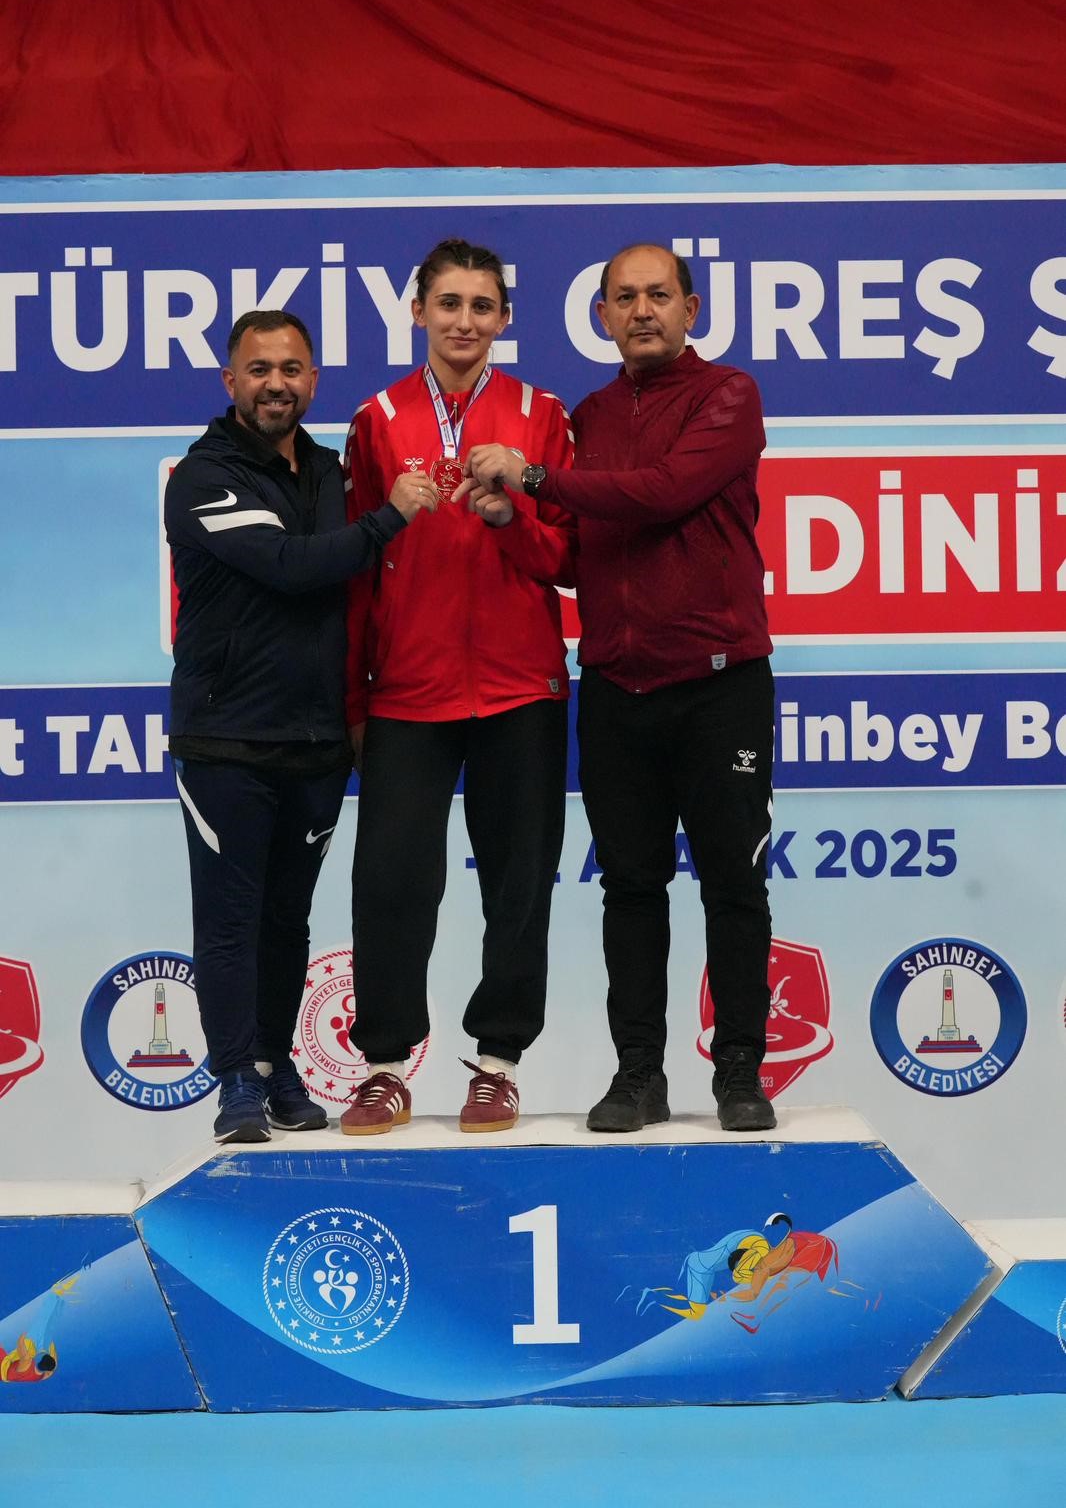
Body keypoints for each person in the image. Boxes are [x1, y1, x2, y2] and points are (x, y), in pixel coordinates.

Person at [461, 243, 776, 1134]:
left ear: (691, 308)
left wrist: (528, 475)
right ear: (600, 316)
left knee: (733, 884)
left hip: (720, 685)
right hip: (616, 686)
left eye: (658, 295)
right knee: (630, 888)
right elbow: (573, 553)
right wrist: (512, 522)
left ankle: (740, 1073)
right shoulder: (590, 416)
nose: (642, 311)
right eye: (624, 298)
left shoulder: (729, 395)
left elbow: (664, 492)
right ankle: (639, 1074)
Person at [165, 309, 433, 1143]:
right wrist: (390, 517)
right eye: (259, 369)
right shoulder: (203, 476)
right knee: (231, 921)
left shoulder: (328, 471)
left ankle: (275, 1066)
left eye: (290, 369)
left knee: (287, 921)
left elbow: (358, 592)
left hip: (316, 741)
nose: (275, 384)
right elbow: (288, 566)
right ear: (231, 381)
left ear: (313, 380)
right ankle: (234, 1082)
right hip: (226, 741)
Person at [339, 238, 575, 1136]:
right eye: (449, 304)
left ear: (505, 318)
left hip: (520, 685)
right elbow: (357, 568)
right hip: (408, 686)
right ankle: (384, 1066)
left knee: (519, 881)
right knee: (392, 882)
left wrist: (513, 518)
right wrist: (355, 697)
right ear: (418, 311)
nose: (464, 322)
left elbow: (570, 557)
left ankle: (498, 1063)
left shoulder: (541, 415)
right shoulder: (377, 419)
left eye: (482, 306)